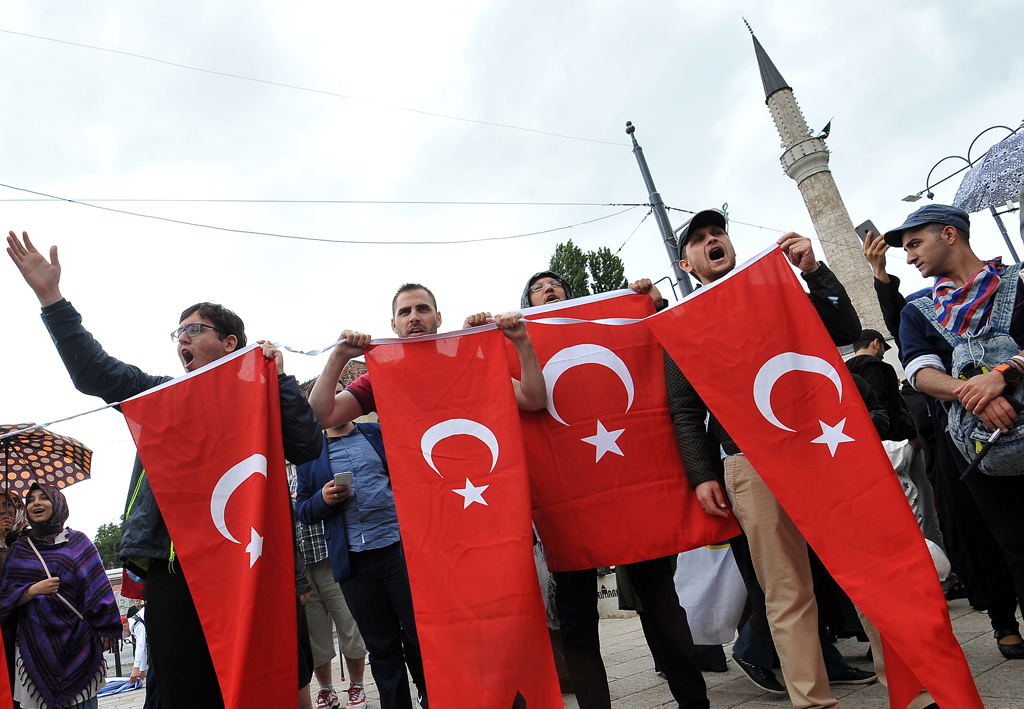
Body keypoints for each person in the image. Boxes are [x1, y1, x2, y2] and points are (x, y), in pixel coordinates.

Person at [5, 231, 324, 707]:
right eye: (177, 334)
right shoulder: (163, 397)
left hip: (253, 562)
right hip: (175, 571)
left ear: (229, 341)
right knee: (181, 691)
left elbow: (306, 445)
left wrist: (278, 378)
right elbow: (96, 372)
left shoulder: (264, 396)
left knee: (269, 679)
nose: (182, 341)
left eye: (194, 330)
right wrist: (51, 298)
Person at [665, 208, 879, 709]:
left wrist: (813, 270)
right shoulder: (681, 323)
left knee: (865, 569)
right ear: (686, 262)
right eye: (699, 239)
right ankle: (812, 700)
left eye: (718, 232)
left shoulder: (776, 291)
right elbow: (683, 407)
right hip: (748, 464)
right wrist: (701, 475)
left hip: (821, 446)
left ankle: (912, 691)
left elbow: (845, 327)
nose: (712, 240)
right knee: (785, 591)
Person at [302, 283, 547, 709]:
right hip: (424, 536)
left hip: (477, 516)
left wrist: (520, 342)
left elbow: (533, 398)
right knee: (434, 636)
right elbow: (321, 415)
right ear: (392, 325)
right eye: (405, 312)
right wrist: (339, 355)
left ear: (438, 318)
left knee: (488, 625)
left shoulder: (467, 358)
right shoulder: (380, 377)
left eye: (423, 309)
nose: (414, 317)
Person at [510, 270, 714, 709]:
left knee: (661, 603)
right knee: (578, 619)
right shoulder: (513, 346)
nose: (548, 290)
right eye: (537, 289)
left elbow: (663, 344)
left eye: (556, 285)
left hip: (631, 495)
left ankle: (694, 702)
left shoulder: (603, 326)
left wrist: (649, 305)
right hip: (568, 508)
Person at [884, 204, 1024, 660]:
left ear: (949, 234)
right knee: (999, 536)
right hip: (972, 445)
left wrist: (1004, 373)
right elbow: (921, 371)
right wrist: (974, 391)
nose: (908, 259)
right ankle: (1005, 623)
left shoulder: (1019, 284)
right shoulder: (919, 311)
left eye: (914, 245)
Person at [0, 483, 123, 709]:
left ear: (57, 504)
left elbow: (99, 589)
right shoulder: (19, 549)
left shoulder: (80, 543)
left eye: (43, 498)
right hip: (34, 649)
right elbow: (5, 599)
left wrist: (106, 627)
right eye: (31, 500)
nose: (36, 503)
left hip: (80, 645)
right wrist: (31, 590)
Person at [289, 391, 369, 709]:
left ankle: (358, 685)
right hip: (301, 565)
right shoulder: (285, 457)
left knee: (349, 625)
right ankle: (326, 688)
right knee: (316, 635)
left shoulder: (326, 448)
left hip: (332, 555)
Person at [845, 328, 945, 551]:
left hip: (866, 452)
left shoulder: (843, 373)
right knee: (923, 506)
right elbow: (888, 407)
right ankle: (939, 569)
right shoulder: (878, 367)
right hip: (898, 445)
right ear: (876, 343)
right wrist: (910, 436)